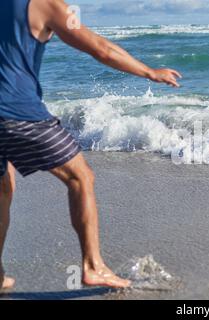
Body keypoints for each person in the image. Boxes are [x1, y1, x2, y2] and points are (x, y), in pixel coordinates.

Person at [0, 0, 182, 290]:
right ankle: (93, 266)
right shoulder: (45, 4)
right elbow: (100, 48)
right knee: (81, 177)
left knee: (3, 189)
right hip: (17, 112)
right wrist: (149, 72)